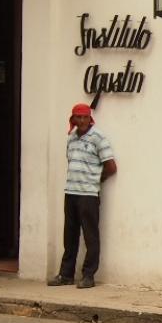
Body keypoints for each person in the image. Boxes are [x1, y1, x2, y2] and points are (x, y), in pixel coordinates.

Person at [47, 103, 117, 289]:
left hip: (88, 195)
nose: (82, 120)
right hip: (70, 192)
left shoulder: (98, 138)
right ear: (73, 119)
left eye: (85, 117)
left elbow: (111, 167)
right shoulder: (71, 138)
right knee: (69, 235)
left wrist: (94, 179)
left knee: (90, 235)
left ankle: (88, 275)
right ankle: (66, 274)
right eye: (78, 117)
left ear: (90, 118)